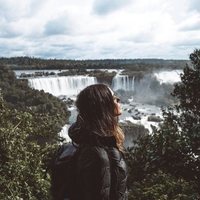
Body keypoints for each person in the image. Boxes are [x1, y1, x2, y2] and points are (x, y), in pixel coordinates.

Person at [68, 83, 128, 200]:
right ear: (104, 106)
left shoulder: (100, 144)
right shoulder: (97, 155)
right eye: (114, 98)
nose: (118, 100)